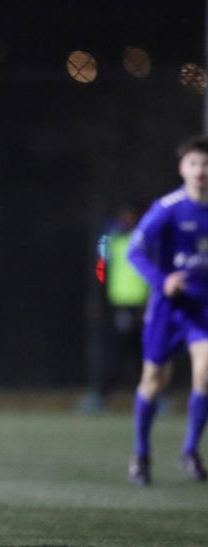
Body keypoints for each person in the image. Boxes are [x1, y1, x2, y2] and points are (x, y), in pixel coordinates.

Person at [126, 136, 208, 486]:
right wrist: (162, 281)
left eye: (205, 164)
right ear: (182, 168)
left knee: (205, 372)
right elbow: (134, 250)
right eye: (194, 164)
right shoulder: (168, 207)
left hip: (202, 307)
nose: (201, 171)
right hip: (167, 307)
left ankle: (190, 450)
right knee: (154, 381)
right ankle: (141, 454)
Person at [78, 205, 150, 412]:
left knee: (144, 353)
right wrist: (99, 295)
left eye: (131, 217)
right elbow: (100, 266)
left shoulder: (144, 240)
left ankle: (154, 395)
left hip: (142, 305)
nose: (127, 221)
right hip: (120, 305)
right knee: (115, 353)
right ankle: (100, 395)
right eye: (123, 217)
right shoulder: (112, 240)